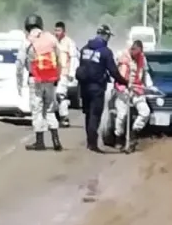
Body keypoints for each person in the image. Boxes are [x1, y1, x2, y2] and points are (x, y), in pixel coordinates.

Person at [16, 14, 62, 151]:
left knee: (37, 110)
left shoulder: (27, 42)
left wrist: (18, 84)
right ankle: (56, 140)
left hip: (35, 79)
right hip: (50, 80)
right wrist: (57, 78)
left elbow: (19, 64)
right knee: (49, 109)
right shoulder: (51, 38)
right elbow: (59, 60)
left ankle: (40, 142)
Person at [75, 23, 122, 152]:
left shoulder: (85, 48)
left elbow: (82, 66)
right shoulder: (106, 52)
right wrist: (124, 81)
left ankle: (89, 141)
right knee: (95, 115)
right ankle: (93, 144)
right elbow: (113, 71)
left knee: (88, 114)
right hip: (97, 88)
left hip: (84, 86)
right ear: (105, 36)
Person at [114, 38, 152, 151]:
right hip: (123, 89)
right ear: (131, 49)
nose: (137, 55)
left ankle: (133, 134)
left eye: (139, 52)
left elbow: (145, 73)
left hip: (137, 89)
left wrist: (149, 86)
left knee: (145, 112)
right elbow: (117, 74)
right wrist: (123, 88)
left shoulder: (142, 58)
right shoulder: (122, 57)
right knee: (122, 115)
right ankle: (118, 137)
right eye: (135, 52)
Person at [54, 20, 79, 127]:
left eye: (58, 30)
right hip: (53, 74)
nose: (56, 32)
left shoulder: (69, 42)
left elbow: (74, 58)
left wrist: (72, 73)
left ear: (64, 31)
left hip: (64, 73)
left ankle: (64, 117)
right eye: (55, 30)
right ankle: (56, 116)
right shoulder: (53, 42)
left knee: (60, 94)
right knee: (53, 96)